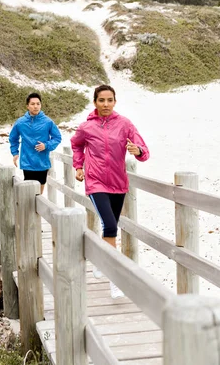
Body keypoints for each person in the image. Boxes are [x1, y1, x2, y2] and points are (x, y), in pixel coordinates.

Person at [71, 84, 150, 298]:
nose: (105, 104)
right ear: (95, 102)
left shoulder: (125, 125)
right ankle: (113, 277)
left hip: (118, 183)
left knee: (110, 228)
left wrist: (138, 150)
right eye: (101, 100)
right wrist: (78, 166)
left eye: (109, 100)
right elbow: (76, 145)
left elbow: (144, 152)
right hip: (95, 182)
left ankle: (101, 259)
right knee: (110, 224)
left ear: (115, 101)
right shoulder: (86, 127)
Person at [9, 92, 62, 194]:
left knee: (39, 194)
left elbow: (57, 137)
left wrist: (46, 145)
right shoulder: (20, 122)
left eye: (38, 104)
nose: (36, 106)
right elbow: (13, 138)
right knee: (29, 192)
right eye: (33, 104)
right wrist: (15, 153)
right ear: (27, 106)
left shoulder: (48, 122)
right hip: (27, 161)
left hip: (42, 162)